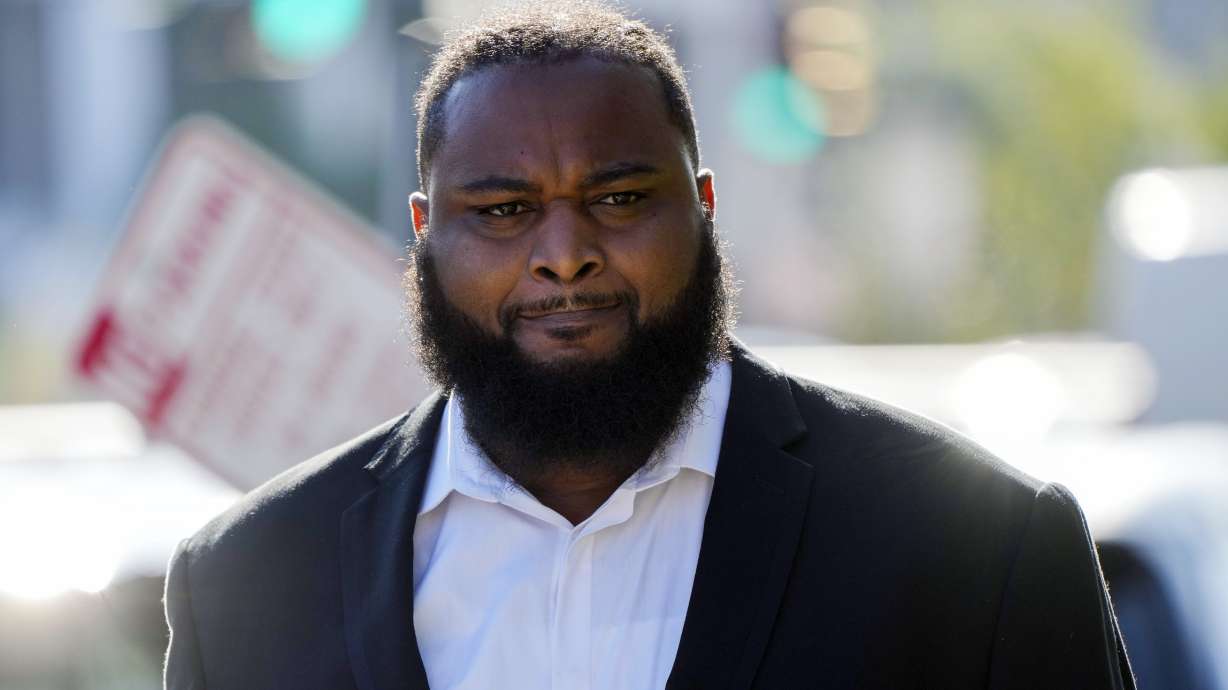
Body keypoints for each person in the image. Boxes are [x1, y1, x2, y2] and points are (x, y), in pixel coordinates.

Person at [163, 2, 1135, 688]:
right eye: (501, 211)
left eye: (619, 199)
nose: (565, 256)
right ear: (423, 231)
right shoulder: (247, 582)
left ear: (703, 207)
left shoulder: (977, 548)